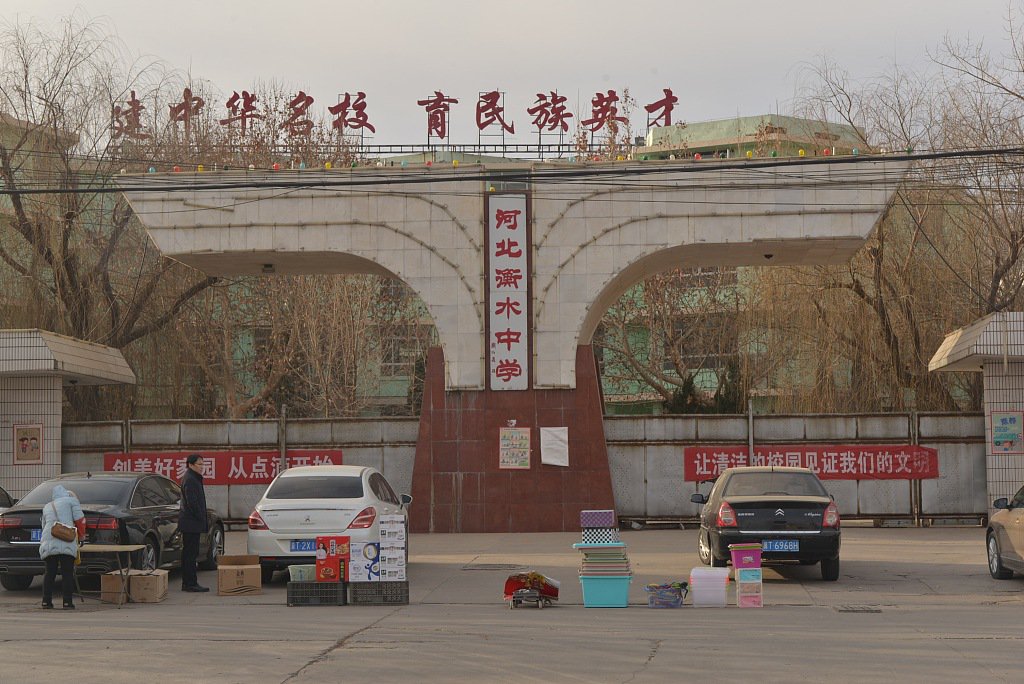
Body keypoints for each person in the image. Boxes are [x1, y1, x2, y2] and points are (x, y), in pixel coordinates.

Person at [39, 484, 85, 610]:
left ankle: (46, 602)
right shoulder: (72, 501)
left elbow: (44, 525)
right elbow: (80, 520)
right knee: (67, 573)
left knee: (49, 573)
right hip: (66, 540)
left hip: (48, 540)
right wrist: (81, 537)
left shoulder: (47, 506)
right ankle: (67, 602)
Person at [179, 454, 210, 592]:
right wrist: (200, 516)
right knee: (190, 554)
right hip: (191, 523)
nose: (202, 467)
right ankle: (190, 583)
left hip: (192, 523)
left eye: (203, 464)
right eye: (199, 464)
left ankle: (188, 582)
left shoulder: (194, 478)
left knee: (191, 553)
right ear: (190, 465)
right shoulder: (190, 479)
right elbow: (192, 503)